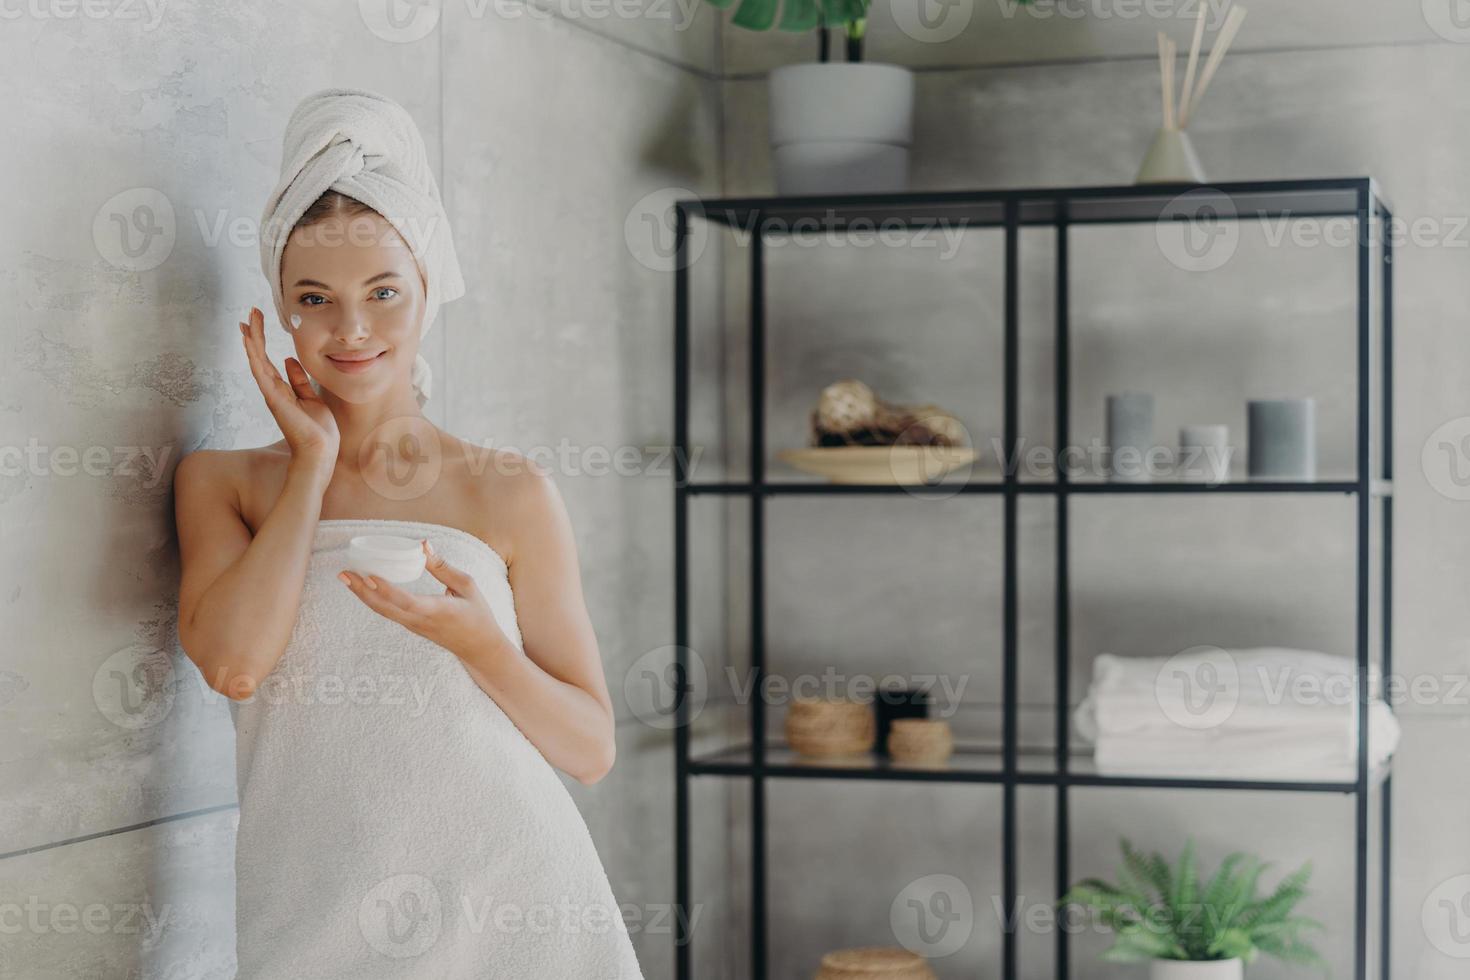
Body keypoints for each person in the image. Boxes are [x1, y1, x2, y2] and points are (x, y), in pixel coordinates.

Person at [173, 89, 644, 978]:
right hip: (309, 911)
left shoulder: (508, 492)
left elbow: (589, 749)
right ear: (281, 309)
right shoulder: (224, 485)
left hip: (514, 902)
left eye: (383, 290)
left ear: (429, 287)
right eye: (315, 297)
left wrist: (482, 647)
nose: (350, 329)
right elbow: (234, 663)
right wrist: (310, 466)